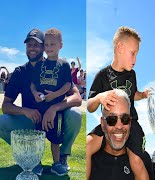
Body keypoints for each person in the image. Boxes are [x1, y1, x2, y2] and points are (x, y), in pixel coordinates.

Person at [0, 29, 82, 175]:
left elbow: (77, 97)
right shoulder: (19, 72)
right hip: (31, 119)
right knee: (1, 121)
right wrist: (25, 110)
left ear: (43, 47)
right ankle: (29, 156)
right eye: (29, 45)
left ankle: (61, 157)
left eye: (36, 45)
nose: (32, 48)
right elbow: (5, 106)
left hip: (53, 117)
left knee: (75, 114)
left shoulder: (57, 65)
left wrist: (54, 108)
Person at [86, 26, 152, 180]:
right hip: (109, 124)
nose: (135, 59)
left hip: (131, 123)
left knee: (136, 160)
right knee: (88, 145)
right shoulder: (102, 75)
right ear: (120, 48)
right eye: (133, 53)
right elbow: (89, 106)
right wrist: (99, 98)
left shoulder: (132, 74)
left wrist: (142, 95)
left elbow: (132, 94)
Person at [30, 28, 72, 176]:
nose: (49, 48)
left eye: (52, 44)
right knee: (38, 138)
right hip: (40, 108)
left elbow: (68, 85)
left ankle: (56, 163)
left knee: (55, 139)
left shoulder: (64, 65)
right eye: (46, 45)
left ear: (61, 45)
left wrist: (55, 95)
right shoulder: (40, 64)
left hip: (56, 111)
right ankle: (36, 163)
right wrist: (35, 94)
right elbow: (33, 84)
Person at [87, 89, 134, 180]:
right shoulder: (89, 159)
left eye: (125, 118)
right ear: (102, 124)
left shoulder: (142, 162)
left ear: (130, 122)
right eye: (112, 119)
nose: (119, 126)